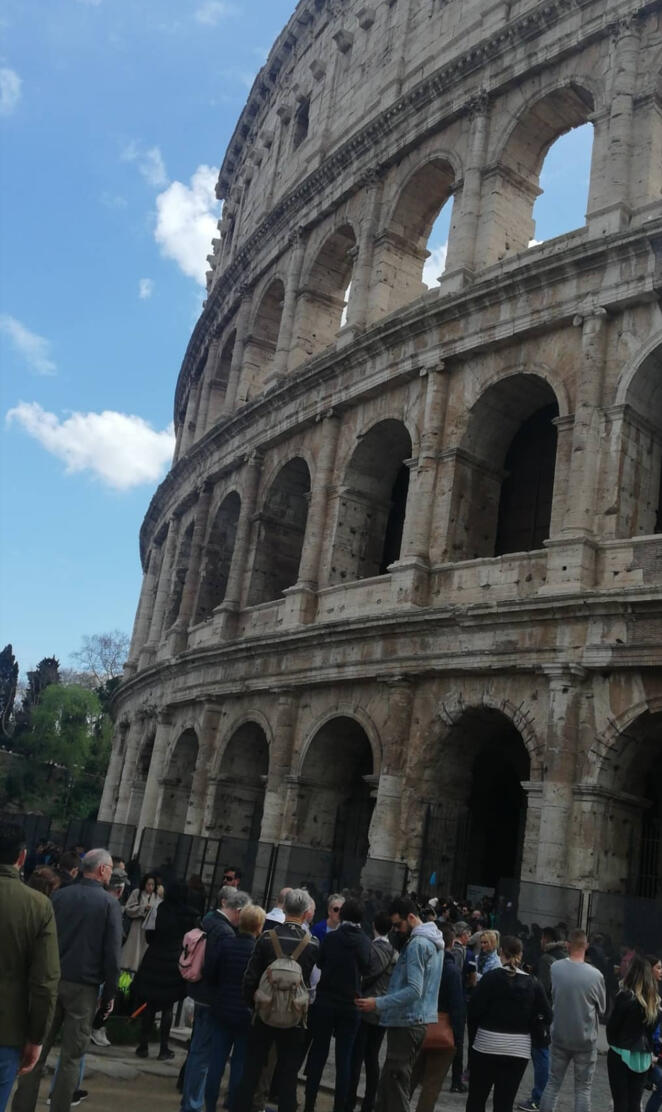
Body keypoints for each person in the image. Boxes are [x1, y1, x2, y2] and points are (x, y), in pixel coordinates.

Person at [12, 848, 122, 1112]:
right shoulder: (109, 904)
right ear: (103, 870)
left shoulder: (60, 896)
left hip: (52, 980)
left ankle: (21, 1107)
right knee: (72, 1057)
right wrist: (109, 996)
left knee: (36, 1050)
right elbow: (112, 955)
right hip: (84, 987)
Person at [356, 896, 444, 1112]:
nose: (395, 930)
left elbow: (414, 990)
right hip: (415, 1019)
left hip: (408, 1020)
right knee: (390, 1081)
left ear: (411, 917)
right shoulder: (433, 942)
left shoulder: (417, 945)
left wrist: (378, 1003)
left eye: (398, 924)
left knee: (395, 1083)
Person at [238, 888, 320, 1112]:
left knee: (252, 1068)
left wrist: (254, 1002)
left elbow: (250, 977)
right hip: (294, 1016)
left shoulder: (267, 938)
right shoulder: (312, 944)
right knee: (288, 1074)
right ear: (305, 914)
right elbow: (312, 983)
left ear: (283, 908)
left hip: (264, 1012)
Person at [0, 822, 60, 1112]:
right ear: (22, 857)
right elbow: (45, 982)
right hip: (6, 1030)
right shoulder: (38, 906)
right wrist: (36, 1037)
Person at [179, 885, 251, 1112]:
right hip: (210, 998)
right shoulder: (225, 931)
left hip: (196, 992)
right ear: (238, 910)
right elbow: (214, 968)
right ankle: (192, 1105)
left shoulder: (208, 920)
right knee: (202, 1055)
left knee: (196, 1052)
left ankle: (188, 1101)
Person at [466, 935, 550, 1112]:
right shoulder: (533, 983)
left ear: (500, 952)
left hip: (486, 1044)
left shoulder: (490, 978)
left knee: (476, 1098)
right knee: (504, 1102)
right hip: (517, 1050)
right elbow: (547, 1014)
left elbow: (473, 1011)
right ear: (520, 955)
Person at [304, 898, 373, 1112]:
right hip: (350, 1003)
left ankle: (309, 1104)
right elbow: (367, 967)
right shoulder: (364, 941)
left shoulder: (332, 938)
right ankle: (340, 1108)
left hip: (326, 999)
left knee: (318, 1054)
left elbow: (320, 962)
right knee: (344, 1060)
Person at [205, 902, 266, 1112]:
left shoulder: (226, 944)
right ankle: (233, 1104)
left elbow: (212, 973)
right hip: (246, 1013)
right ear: (259, 927)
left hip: (222, 1009)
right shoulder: (258, 951)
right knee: (240, 1064)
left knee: (216, 1062)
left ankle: (209, 1105)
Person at [539, 928, 606, 1112]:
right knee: (583, 1089)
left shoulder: (556, 968)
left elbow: (552, 993)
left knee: (552, 1084)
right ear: (587, 946)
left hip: (559, 1035)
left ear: (567, 945)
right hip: (585, 1038)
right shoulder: (596, 976)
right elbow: (602, 1007)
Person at [133, 881, 198, 1060]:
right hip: (174, 960)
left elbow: (149, 935)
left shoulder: (158, 908)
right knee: (168, 1006)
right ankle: (163, 1048)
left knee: (150, 1004)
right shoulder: (190, 914)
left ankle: (143, 1045)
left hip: (154, 957)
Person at [410, 921, 465, 1112]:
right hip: (443, 1027)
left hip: (418, 1023)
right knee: (432, 1085)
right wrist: (458, 1038)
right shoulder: (452, 971)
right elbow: (457, 1007)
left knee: (409, 1077)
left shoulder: (423, 962)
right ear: (450, 944)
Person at [348, 910, 397, 1112]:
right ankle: (369, 1103)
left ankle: (349, 1101)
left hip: (365, 1006)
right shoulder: (395, 953)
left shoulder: (369, 949)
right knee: (373, 1057)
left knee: (356, 1057)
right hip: (382, 1009)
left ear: (374, 926)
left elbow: (363, 975)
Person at [518, 927, 568, 1112]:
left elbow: (543, 989)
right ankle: (545, 1097)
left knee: (540, 1053)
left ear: (547, 939)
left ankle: (539, 1097)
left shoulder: (547, 959)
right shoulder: (565, 958)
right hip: (560, 1013)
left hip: (543, 1014)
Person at [607, 954, 660, 1112]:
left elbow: (612, 1027)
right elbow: (651, 1032)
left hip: (621, 1052)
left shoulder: (626, 997)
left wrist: (615, 1042)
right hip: (642, 1057)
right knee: (635, 1103)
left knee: (621, 1102)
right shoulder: (654, 1002)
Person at [121, 874, 159, 973]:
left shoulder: (156, 897)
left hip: (148, 929)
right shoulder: (137, 893)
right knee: (132, 953)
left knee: (143, 952)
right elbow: (128, 908)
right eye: (148, 884)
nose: (150, 887)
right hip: (136, 926)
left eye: (152, 885)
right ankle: (125, 981)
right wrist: (142, 908)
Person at [645, 955, 662, 1112]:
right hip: (644, 1053)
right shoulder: (646, 993)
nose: (661, 971)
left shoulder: (655, 992)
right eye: (658, 967)